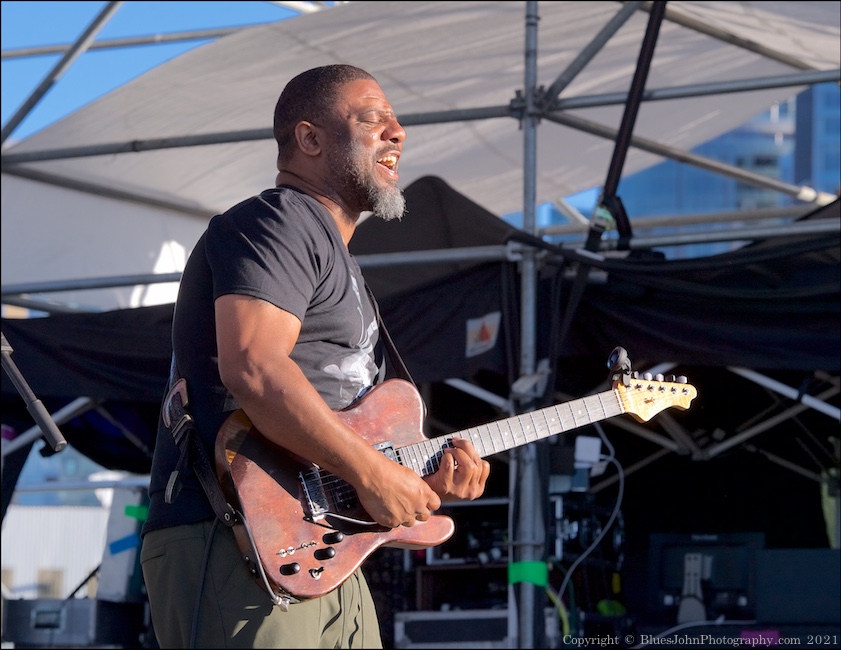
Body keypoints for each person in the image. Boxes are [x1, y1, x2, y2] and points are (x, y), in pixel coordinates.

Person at [140, 64, 491, 649]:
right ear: (309, 139)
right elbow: (254, 366)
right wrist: (374, 473)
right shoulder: (280, 221)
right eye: (374, 119)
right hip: (234, 538)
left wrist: (419, 479)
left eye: (396, 122)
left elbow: (347, 429)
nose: (398, 133)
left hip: (323, 552)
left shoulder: (337, 258)